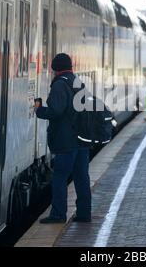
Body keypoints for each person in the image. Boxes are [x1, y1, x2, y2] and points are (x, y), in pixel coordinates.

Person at [34, 53, 92, 224]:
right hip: (82, 140)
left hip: (67, 142)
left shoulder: (60, 85)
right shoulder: (78, 82)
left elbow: (56, 111)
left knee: (60, 176)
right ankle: (84, 213)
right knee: (82, 177)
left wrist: (39, 109)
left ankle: (58, 214)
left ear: (55, 69)